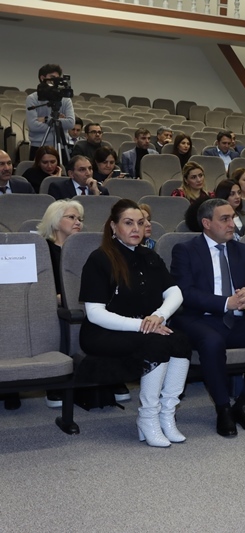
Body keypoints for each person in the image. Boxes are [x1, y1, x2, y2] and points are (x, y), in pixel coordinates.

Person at [170, 198, 245, 437]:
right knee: (213, 342)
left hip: (236, 320)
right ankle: (223, 408)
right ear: (206, 223)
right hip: (199, 320)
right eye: (224, 219)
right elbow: (185, 293)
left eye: (232, 217)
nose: (232, 223)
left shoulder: (241, 250)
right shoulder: (185, 250)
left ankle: (244, 403)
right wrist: (225, 303)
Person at [79, 199, 191, 447]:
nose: (136, 229)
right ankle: (147, 417)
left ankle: (166, 414)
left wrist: (159, 316)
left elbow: (175, 293)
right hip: (103, 332)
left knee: (181, 341)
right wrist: (142, 325)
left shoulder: (149, 255)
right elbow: (95, 314)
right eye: (128, 223)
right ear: (113, 226)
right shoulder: (99, 259)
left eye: (141, 223)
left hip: (145, 328)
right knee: (157, 345)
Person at [33, 199, 84, 408]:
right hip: (50, 305)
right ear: (55, 221)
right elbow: (35, 287)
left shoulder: (82, 250)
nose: (78, 222)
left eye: (80, 219)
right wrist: (54, 297)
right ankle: (54, 383)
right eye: (71, 217)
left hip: (81, 302)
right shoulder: (42, 249)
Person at [25, 63, 75, 158]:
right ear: (42, 78)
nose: (55, 81)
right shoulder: (32, 98)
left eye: (57, 78)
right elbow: (33, 126)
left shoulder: (65, 99)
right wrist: (56, 122)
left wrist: (45, 120)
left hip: (61, 146)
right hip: (39, 146)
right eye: (52, 77)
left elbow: (70, 123)